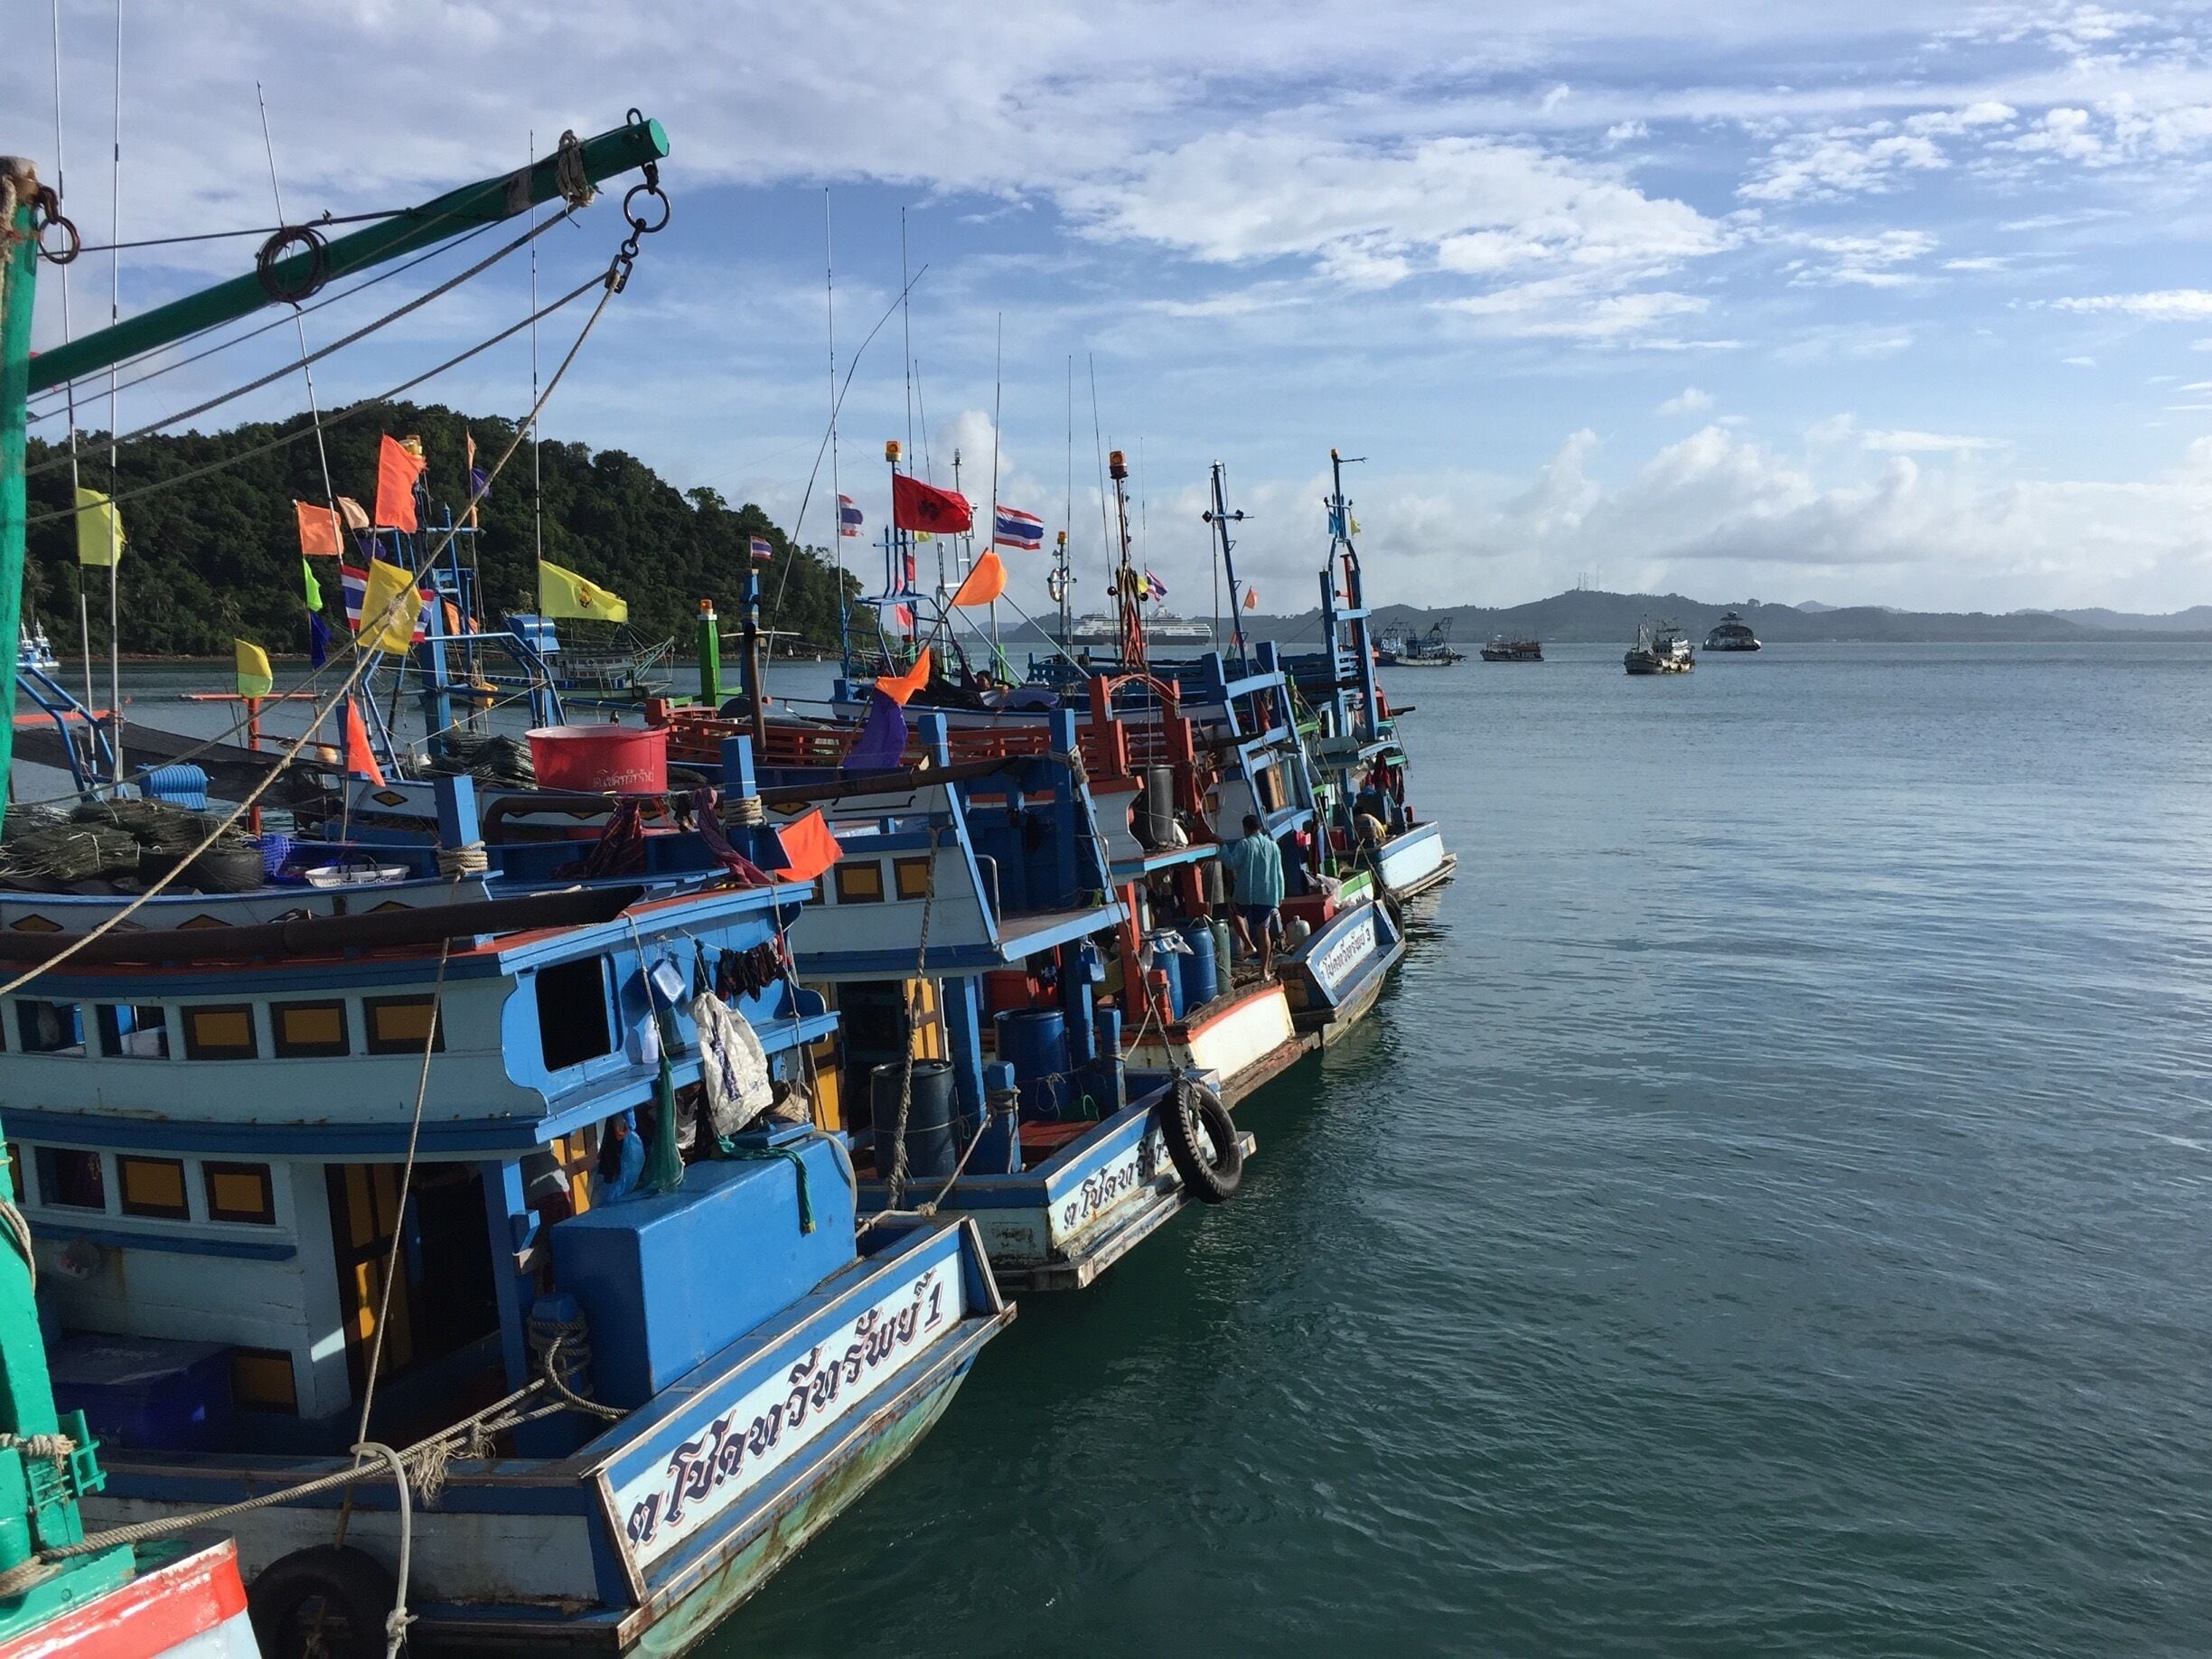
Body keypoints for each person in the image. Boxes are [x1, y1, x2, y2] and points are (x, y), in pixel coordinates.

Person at [1223, 812, 1285, 976]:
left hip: (1247, 893)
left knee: (1234, 910)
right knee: (1263, 930)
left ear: (1246, 828)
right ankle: (1264, 971)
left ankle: (1248, 944)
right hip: (1268, 895)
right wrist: (1280, 895)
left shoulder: (1244, 844)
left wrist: (1222, 848)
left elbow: (1231, 863)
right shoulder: (1273, 846)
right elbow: (1279, 873)